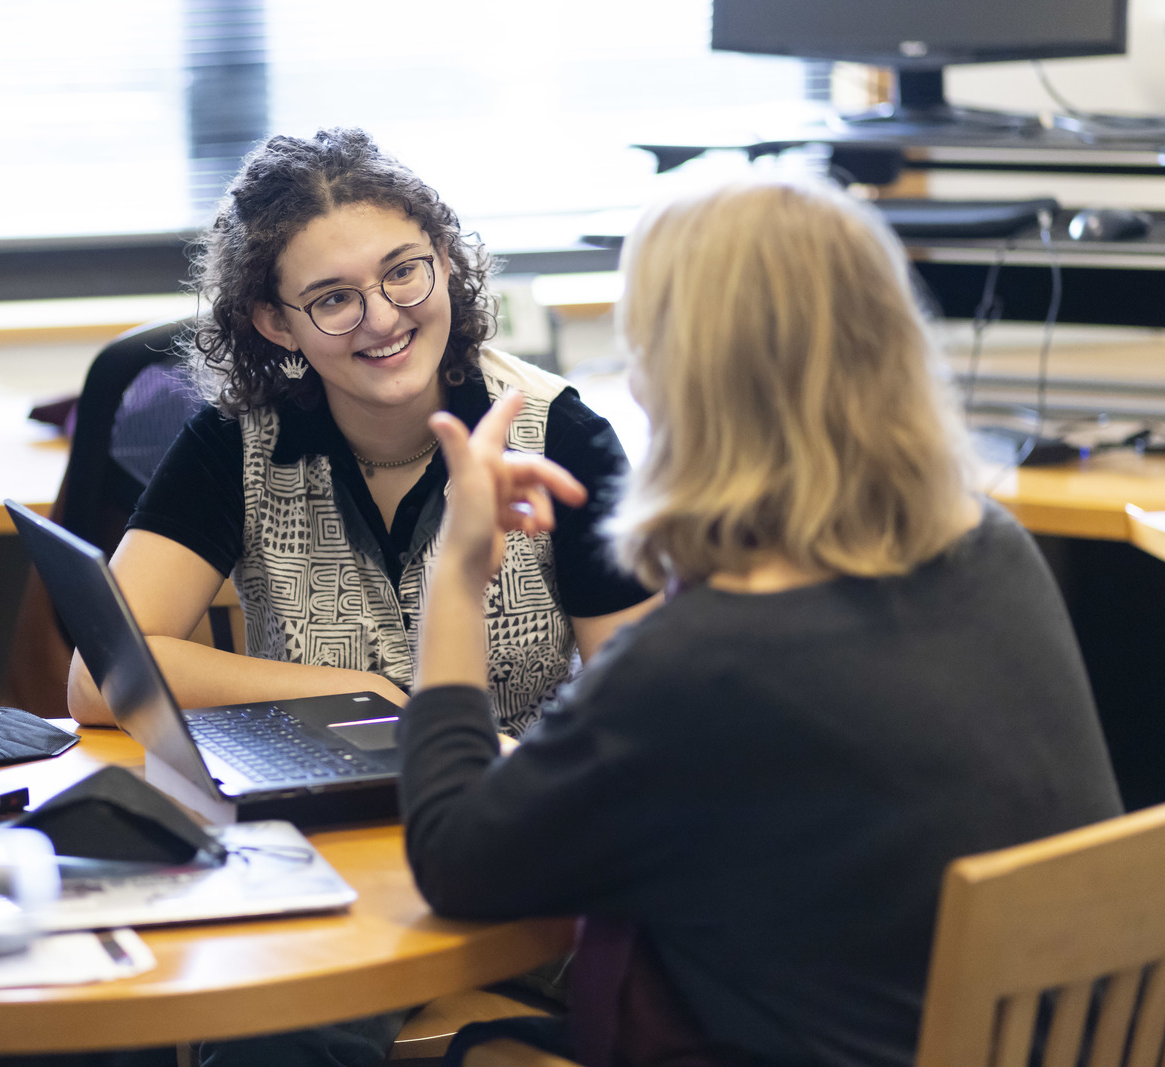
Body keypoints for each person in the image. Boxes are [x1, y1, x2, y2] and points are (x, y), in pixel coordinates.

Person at [401, 176, 1123, 1067]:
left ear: (677, 377)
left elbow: (453, 858)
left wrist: (461, 574)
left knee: (451, 1051)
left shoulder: (703, 660)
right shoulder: (994, 550)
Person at [67, 127, 649, 735]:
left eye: (402, 271)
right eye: (333, 298)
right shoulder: (235, 445)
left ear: (444, 261)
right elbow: (98, 679)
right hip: (316, 806)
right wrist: (363, 693)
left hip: (511, 803)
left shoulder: (562, 436)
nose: (382, 318)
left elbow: (641, 708)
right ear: (276, 322)